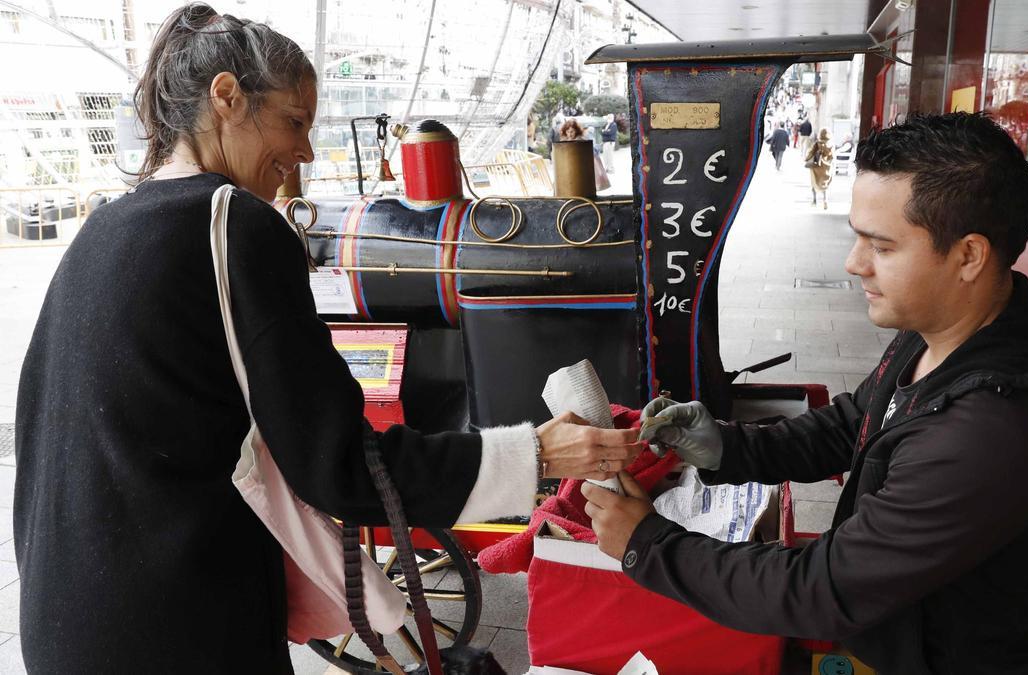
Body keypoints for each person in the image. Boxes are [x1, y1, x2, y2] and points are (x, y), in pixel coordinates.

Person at [13, 5, 640, 672]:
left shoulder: (103, 227)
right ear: (226, 97)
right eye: (294, 121)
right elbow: (342, 466)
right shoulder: (234, 225)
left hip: (64, 616)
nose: (306, 152)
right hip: (176, 626)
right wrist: (535, 453)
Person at [583, 112, 1028, 674]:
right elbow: (855, 420)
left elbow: (822, 590)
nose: (854, 264)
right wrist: (729, 448)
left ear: (968, 256)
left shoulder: (991, 433)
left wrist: (648, 544)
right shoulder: (948, 325)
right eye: (858, 237)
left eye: (881, 246)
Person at [806, 127, 834, 208]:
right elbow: (832, 156)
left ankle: (814, 201)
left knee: (814, 183)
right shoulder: (831, 145)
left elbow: (811, 153)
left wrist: (806, 159)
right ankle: (825, 201)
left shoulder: (817, 143)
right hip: (826, 167)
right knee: (825, 184)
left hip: (816, 167)